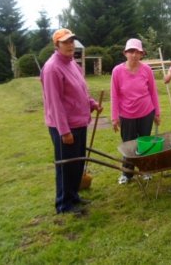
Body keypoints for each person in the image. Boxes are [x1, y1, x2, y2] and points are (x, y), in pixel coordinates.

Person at [41, 28, 102, 215]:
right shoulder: (52, 68)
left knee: (77, 164)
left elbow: (81, 90)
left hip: (79, 122)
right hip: (64, 126)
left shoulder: (72, 64)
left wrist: (92, 103)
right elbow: (54, 103)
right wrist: (64, 131)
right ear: (56, 45)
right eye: (65, 42)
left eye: (72, 41)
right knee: (66, 166)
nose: (70, 45)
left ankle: (74, 196)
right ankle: (63, 204)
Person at [110, 38, 161, 184]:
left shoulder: (147, 70)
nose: (134, 54)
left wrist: (156, 113)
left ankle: (146, 170)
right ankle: (127, 174)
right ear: (125, 53)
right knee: (128, 145)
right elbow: (114, 95)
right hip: (126, 115)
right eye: (131, 51)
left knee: (145, 143)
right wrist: (114, 117)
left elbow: (153, 92)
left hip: (146, 112)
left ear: (141, 54)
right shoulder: (117, 71)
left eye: (137, 52)